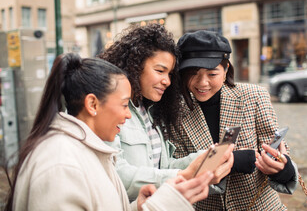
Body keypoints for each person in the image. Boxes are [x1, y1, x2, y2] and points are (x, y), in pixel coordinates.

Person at [4, 53, 215, 211]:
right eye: (124, 105)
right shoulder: (61, 165)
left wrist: (139, 207)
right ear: (93, 104)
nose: (128, 115)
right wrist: (161, 206)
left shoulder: (85, 151)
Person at [99, 24, 234, 201]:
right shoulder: (110, 109)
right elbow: (116, 174)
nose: (167, 81)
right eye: (160, 71)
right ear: (134, 65)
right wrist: (183, 175)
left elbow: (163, 166)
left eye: (170, 74)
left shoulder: (151, 110)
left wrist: (203, 159)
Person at [170, 30, 298, 210]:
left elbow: (277, 149)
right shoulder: (175, 111)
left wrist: (282, 169)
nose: (202, 83)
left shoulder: (254, 96)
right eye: (193, 74)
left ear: (226, 69)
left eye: (212, 74)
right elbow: (179, 168)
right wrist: (231, 160)